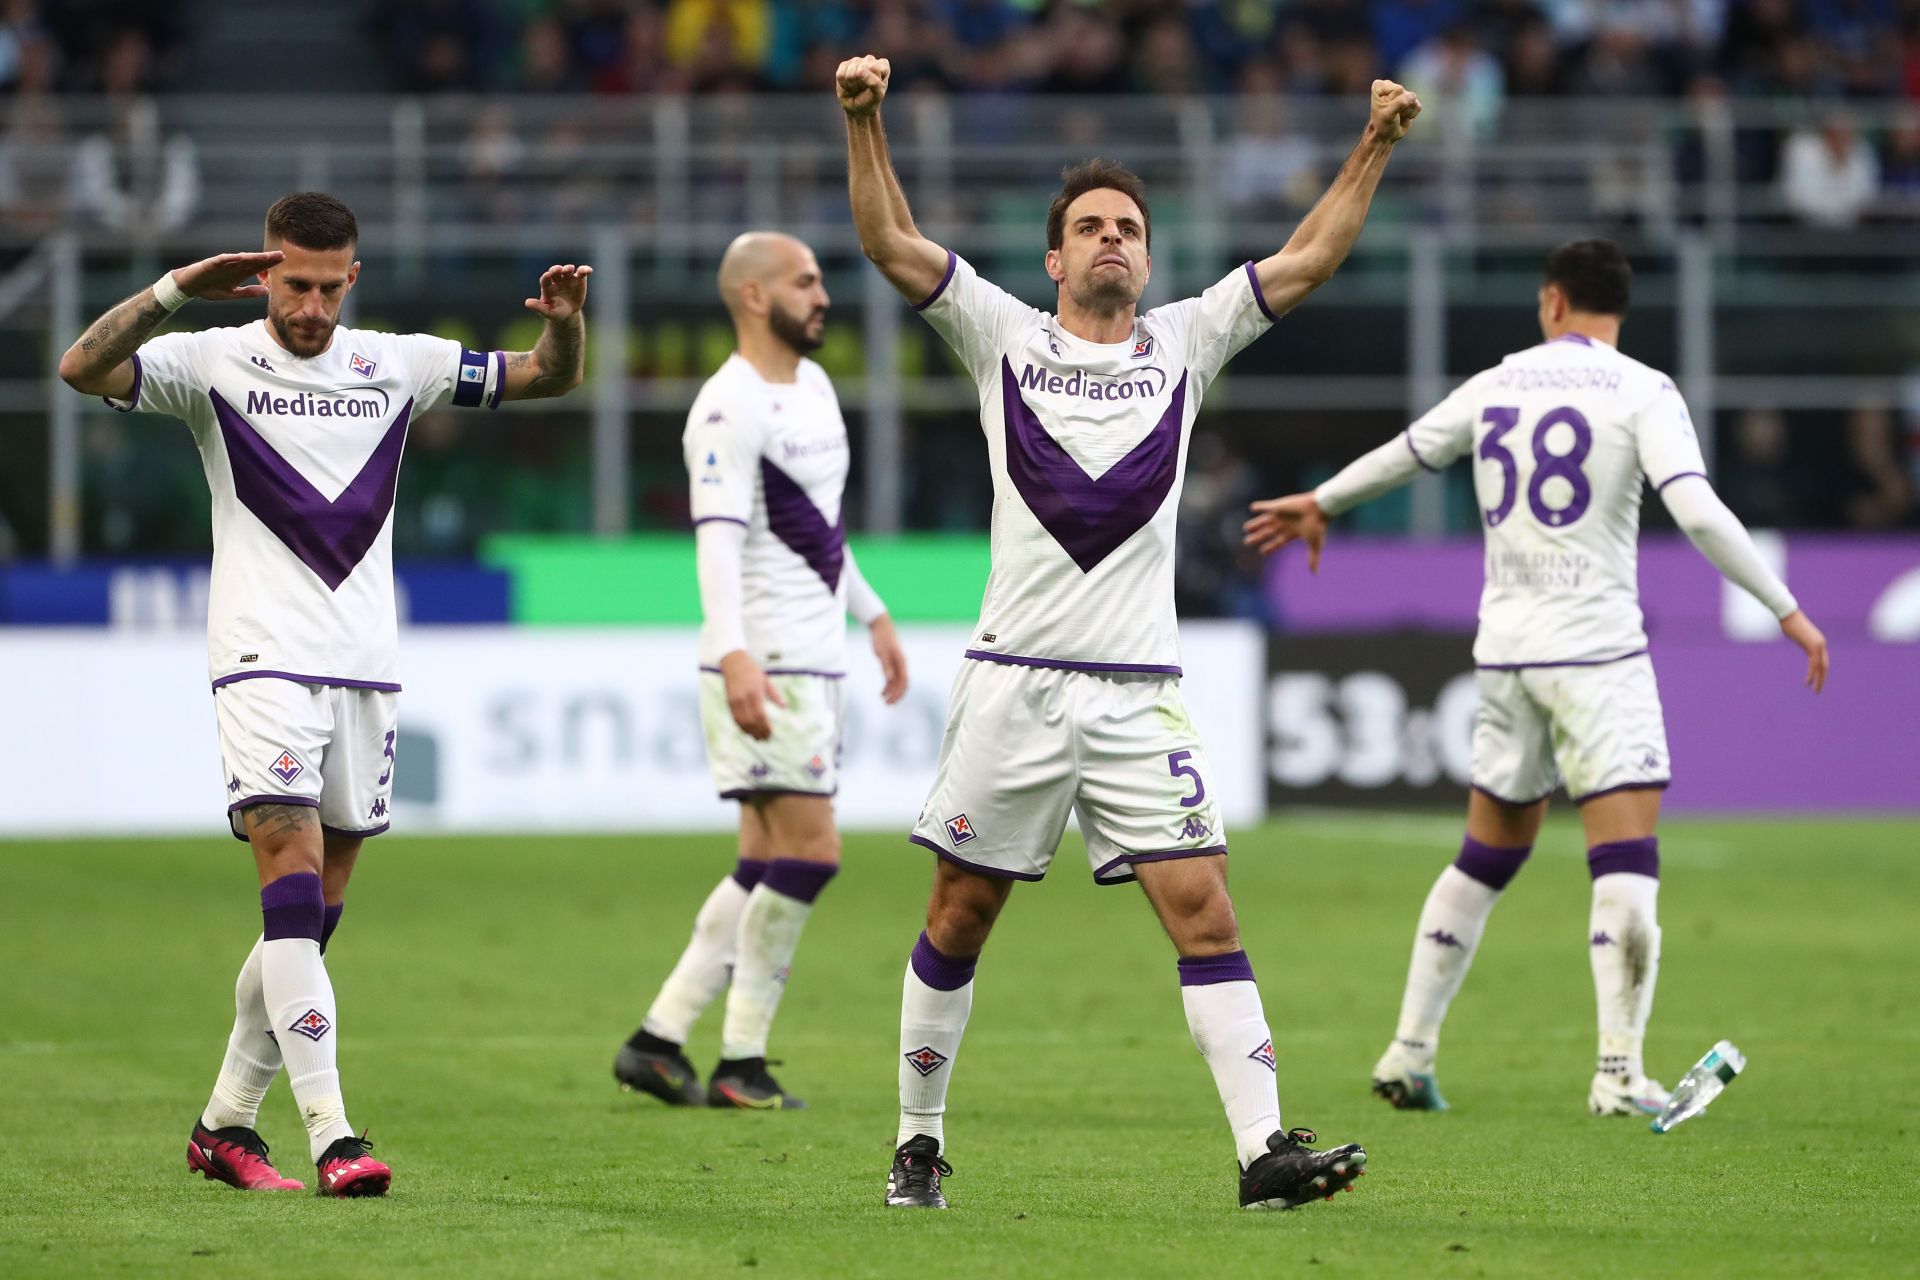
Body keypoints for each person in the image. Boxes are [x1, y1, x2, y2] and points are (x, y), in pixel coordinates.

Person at [837, 52, 1421, 1211]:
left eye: (1130, 227)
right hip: (1014, 681)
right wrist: (864, 123)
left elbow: (1305, 261)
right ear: (1053, 257)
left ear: (1148, 257)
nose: (1113, 239)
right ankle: (917, 1140)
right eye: (1091, 226)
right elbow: (892, 245)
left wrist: (1376, 145)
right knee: (961, 911)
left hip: (1138, 688)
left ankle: (1263, 1153)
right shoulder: (1000, 333)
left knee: (1205, 906)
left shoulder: (1187, 342)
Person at [56, 191, 591, 1196]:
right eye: (290, 283)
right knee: (289, 872)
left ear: (356, 276)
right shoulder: (210, 361)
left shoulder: (397, 362)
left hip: (365, 667)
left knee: (308, 915)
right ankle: (334, 1133)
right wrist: (177, 289)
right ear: (265, 275)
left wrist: (562, 328)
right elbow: (81, 364)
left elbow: (544, 381)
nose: (307, 304)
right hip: (260, 657)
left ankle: (223, 1123)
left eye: (325, 284)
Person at [1243, 238, 1829, 1119]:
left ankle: (1408, 1052)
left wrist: (1321, 501)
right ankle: (1619, 1072)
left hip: (1506, 653)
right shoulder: (1643, 390)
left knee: (1487, 855)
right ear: (1615, 310)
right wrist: (1785, 605)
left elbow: (1409, 451)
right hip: (1596, 653)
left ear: (1553, 301)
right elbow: (1697, 508)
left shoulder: (1499, 383)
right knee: (1626, 856)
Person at [614, 230, 908, 1110]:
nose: (824, 296)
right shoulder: (726, 406)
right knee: (813, 854)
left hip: (814, 655)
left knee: (762, 859)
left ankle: (659, 1039)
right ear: (753, 296)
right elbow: (719, 539)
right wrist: (734, 651)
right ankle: (742, 1060)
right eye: (806, 282)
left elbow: (817, 526)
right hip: (769, 662)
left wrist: (874, 611)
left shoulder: (813, 387)